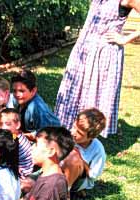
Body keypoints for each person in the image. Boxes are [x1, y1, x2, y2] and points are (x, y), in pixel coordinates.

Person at [55, 0, 140, 138]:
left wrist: (125, 39)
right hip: (83, 49)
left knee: (93, 93)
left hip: (104, 53)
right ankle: (69, 129)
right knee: (74, 89)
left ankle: (87, 134)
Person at [61, 108, 107, 197]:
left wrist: (80, 158)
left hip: (78, 180)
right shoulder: (70, 136)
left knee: (73, 156)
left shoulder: (98, 150)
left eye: (79, 132)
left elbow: (93, 175)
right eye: (74, 127)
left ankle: (64, 194)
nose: (73, 132)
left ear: (91, 136)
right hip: (59, 172)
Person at [11, 69, 61, 141]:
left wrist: (21, 135)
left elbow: (47, 135)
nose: (17, 94)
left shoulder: (38, 109)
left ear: (33, 91)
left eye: (21, 91)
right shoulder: (18, 99)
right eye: (14, 91)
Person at [0, 108, 34, 179]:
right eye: (1, 124)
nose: (3, 127)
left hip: (22, 175)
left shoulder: (15, 142)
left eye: (7, 124)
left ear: (17, 125)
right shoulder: (16, 135)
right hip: (24, 169)